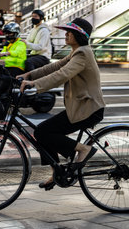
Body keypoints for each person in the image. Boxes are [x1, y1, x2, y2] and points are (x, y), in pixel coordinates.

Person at [18, 17, 105, 191]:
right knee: (43, 132)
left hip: (88, 110)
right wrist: (29, 75)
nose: (66, 34)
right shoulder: (77, 52)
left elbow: (62, 74)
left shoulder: (83, 54)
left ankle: (83, 149)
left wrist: (35, 84)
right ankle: (56, 172)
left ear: (79, 35)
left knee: (43, 131)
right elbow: (54, 67)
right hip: (81, 108)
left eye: (69, 31)